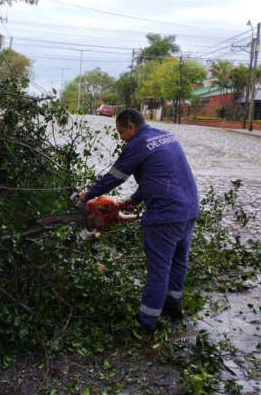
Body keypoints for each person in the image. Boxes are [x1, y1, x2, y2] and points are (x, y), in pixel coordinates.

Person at [79, 108, 199, 334]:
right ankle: (173, 307)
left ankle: (146, 322)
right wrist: (132, 200)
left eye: (121, 132)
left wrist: (86, 196)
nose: (121, 137)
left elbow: (114, 177)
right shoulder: (166, 136)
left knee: (159, 269)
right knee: (179, 261)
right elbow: (159, 177)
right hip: (189, 208)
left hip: (165, 215)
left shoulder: (137, 145)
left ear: (131, 126)